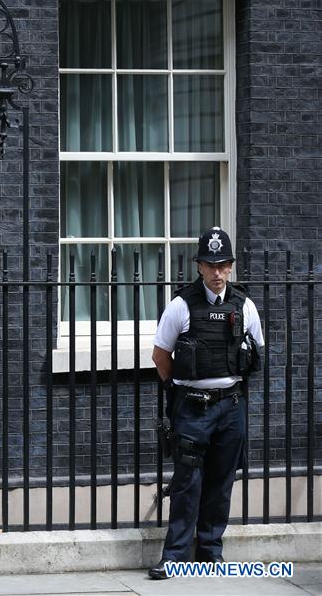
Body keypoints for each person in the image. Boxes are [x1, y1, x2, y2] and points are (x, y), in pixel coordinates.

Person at [148, 227, 264, 579]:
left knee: (221, 482)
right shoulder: (181, 305)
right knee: (187, 482)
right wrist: (177, 390)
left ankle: (211, 552)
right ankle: (175, 557)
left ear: (231, 267)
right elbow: (160, 355)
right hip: (193, 407)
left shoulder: (244, 306)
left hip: (230, 405)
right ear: (199, 266)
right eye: (210, 265)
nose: (217, 272)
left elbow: (255, 354)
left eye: (223, 265)